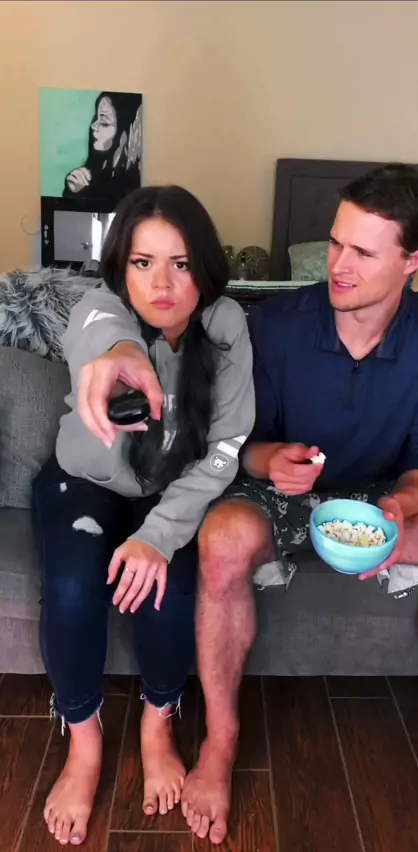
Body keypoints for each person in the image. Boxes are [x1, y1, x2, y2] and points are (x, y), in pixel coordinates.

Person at [73, 163, 418, 845]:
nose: (338, 266)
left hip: (381, 497)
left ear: (414, 261)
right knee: (223, 539)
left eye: (362, 252)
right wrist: (270, 461)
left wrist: (401, 505)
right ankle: (221, 740)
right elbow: (238, 439)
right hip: (277, 493)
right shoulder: (278, 324)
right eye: (335, 243)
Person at [31, 185, 254, 847]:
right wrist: (122, 357)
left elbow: (226, 448)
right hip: (84, 482)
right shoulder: (99, 308)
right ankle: (84, 741)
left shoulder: (227, 327)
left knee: (170, 591)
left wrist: (158, 537)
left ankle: (159, 719)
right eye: (142, 262)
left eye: (180, 264)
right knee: (72, 589)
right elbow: (103, 336)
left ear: (204, 266)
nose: (161, 284)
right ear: (120, 267)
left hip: (172, 489)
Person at [63, 91, 142, 202]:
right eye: (96, 117)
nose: (93, 126)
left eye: (104, 123)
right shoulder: (93, 172)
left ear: (125, 134)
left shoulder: (132, 186)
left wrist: (85, 193)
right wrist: (72, 191)